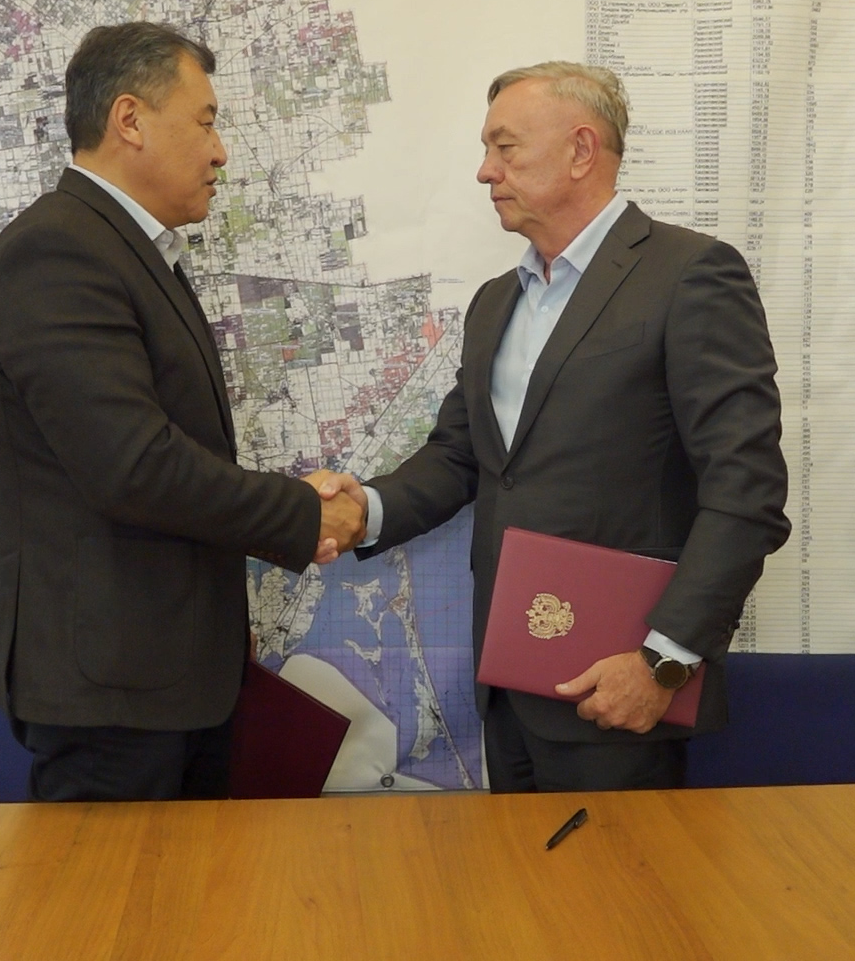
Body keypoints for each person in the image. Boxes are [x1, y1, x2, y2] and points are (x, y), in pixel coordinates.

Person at [317, 62, 789, 792]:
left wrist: (664, 662)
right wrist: (362, 510)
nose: (485, 171)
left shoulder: (690, 274)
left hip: (622, 688)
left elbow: (747, 491)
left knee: (619, 873)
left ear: (580, 150)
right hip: (510, 685)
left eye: (505, 148)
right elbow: (461, 457)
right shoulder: (494, 303)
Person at [0, 22, 366, 801]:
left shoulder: (125, 250)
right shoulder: (59, 253)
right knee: (114, 889)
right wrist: (302, 514)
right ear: (130, 120)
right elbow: (135, 467)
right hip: (111, 695)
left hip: (164, 681)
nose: (220, 152)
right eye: (206, 122)